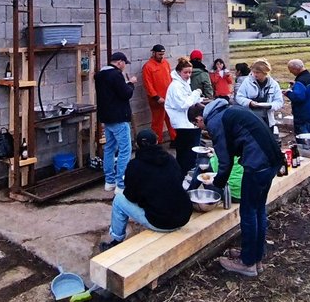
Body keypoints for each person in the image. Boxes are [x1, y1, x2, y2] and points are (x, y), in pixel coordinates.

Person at [188, 100, 282, 277]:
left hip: (257, 165)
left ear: (200, 118)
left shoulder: (215, 122)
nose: (200, 128)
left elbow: (225, 161)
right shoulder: (228, 111)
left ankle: (247, 264)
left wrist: (216, 187)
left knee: (247, 212)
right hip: (271, 160)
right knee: (258, 209)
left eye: (196, 124)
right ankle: (255, 257)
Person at [99, 129, 192, 251]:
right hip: (184, 216)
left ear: (137, 145)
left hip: (162, 222)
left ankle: (116, 240)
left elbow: (131, 196)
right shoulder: (170, 159)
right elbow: (179, 180)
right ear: (157, 141)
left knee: (118, 200)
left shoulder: (134, 166)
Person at [95, 51, 137, 191]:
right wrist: (131, 84)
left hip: (107, 118)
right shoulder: (116, 75)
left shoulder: (100, 75)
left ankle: (109, 181)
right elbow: (126, 94)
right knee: (125, 150)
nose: (124, 67)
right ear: (119, 62)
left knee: (109, 149)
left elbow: (112, 93)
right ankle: (121, 184)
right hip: (119, 118)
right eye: (124, 63)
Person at [165, 57, 203, 172]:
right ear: (178, 72)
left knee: (188, 152)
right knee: (187, 153)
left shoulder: (184, 84)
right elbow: (183, 104)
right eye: (185, 72)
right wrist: (196, 93)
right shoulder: (176, 86)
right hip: (183, 124)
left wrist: (198, 99)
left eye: (190, 72)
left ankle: (186, 172)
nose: (188, 75)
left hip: (187, 122)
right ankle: (185, 174)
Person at [234, 59, 284, 134]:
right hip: (250, 118)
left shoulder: (274, 84)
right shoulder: (247, 82)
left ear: (265, 72)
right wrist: (249, 102)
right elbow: (239, 97)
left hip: (267, 119)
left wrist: (270, 106)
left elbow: (279, 101)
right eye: (253, 72)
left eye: (257, 72)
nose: (255, 74)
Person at [142, 44, 175, 144]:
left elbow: (170, 78)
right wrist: (156, 97)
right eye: (160, 54)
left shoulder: (166, 63)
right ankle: (157, 142)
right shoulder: (148, 66)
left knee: (172, 119)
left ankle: (175, 139)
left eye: (163, 54)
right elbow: (148, 84)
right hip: (157, 100)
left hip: (168, 97)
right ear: (154, 53)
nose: (162, 56)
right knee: (158, 122)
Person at [284, 59, 310, 135]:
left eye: (291, 70)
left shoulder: (300, 81)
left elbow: (298, 98)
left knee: (303, 139)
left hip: (302, 115)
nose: (290, 72)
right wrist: (295, 86)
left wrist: (288, 93)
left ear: (296, 69)